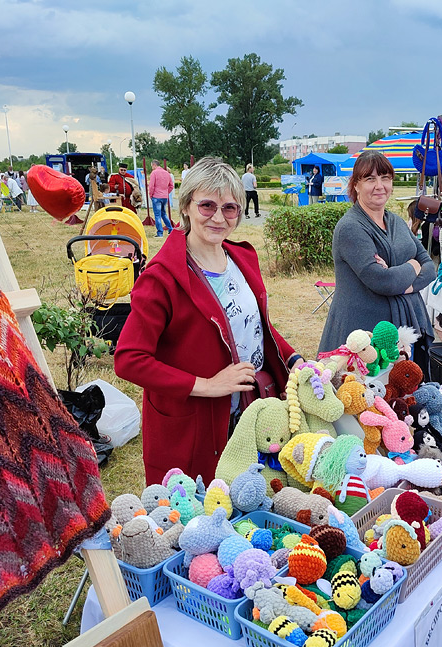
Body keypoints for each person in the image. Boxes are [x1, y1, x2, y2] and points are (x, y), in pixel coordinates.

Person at [113, 157, 302, 484]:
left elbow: (254, 323)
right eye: (207, 206)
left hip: (252, 410)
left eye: (229, 208)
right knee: (201, 517)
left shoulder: (242, 258)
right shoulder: (161, 279)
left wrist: (295, 359)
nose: (218, 217)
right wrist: (207, 385)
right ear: (185, 206)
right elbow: (129, 360)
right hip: (195, 425)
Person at [317, 151, 436, 375]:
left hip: (403, 326)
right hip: (364, 334)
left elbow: (429, 266)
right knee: (364, 398)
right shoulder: (351, 228)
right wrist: (412, 266)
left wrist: (406, 282)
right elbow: (384, 282)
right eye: (370, 179)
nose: (379, 186)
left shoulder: (396, 222)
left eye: (385, 178)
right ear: (355, 185)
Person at [148, 159, 174, 236]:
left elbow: (151, 186)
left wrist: (151, 195)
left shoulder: (154, 173)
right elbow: (171, 186)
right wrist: (166, 192)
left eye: (152, 166)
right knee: (164, 213)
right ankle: (170, 229)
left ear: (154, 165)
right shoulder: (167, 173)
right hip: (164, 197)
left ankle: (160, 232)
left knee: (157, 215)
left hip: (156, 196)